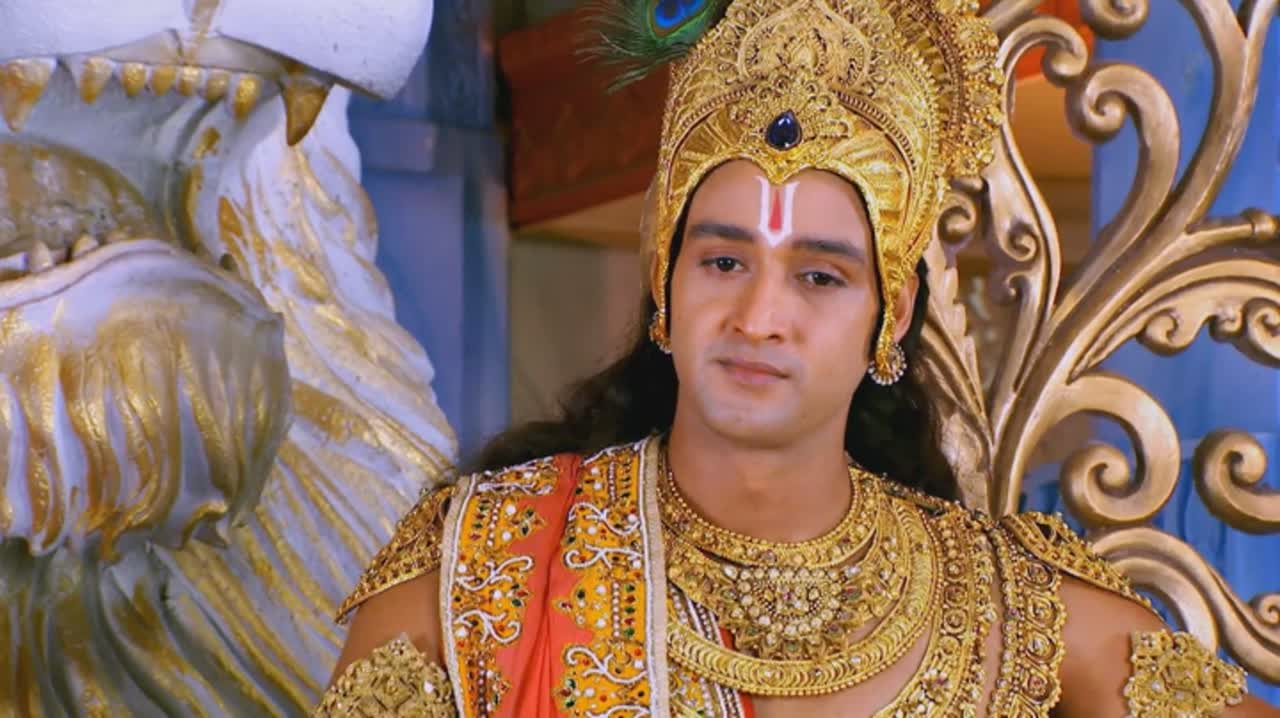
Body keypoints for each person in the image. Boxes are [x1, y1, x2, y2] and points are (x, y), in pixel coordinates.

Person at [312, 0, 1278, 715]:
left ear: (890, 315)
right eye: (723, 261)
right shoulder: (480, 569)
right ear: (665, 283)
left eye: (820, 276)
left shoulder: (1010, 611)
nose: (759, 316)